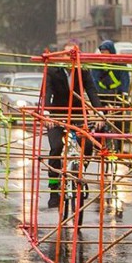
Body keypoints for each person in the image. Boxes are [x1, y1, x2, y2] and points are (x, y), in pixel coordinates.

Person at [45, 43, 105, 209]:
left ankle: (80, 170)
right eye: (67, 55)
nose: (70, 58)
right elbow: (47, 92)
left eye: (73, 55)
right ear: (61, 56)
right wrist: (46, 114)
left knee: (88, 145)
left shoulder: (83, 71)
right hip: (57, 116)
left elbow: (92, 91)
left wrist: (99, 112)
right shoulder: (52, 71)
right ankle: (54, 190)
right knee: (56, 148)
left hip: (78, 115)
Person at [92, 40, 130, 151]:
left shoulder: (120, 63)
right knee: (100, 119)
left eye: (106, 51)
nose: (103, 53)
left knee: (118, 122)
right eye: (102, 51)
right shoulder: (98, 64)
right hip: (102, 95)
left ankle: (119, 147)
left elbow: (124, 79)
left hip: (116, 95)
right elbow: (94, 80)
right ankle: (98, 145)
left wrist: (124, 94)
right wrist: (96, 95)